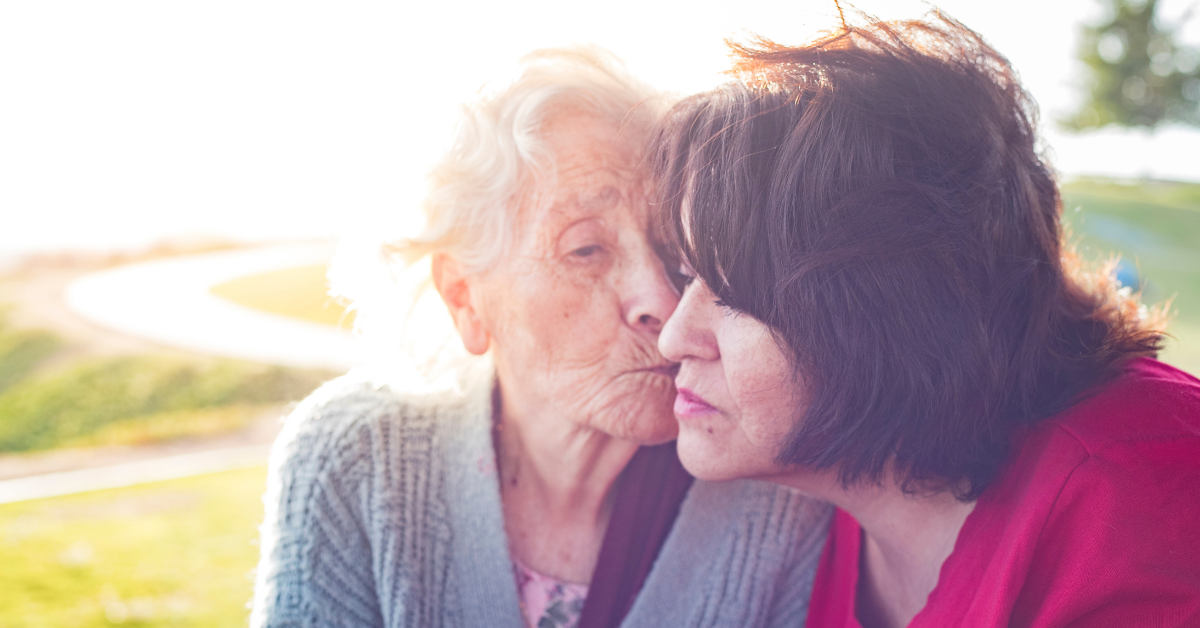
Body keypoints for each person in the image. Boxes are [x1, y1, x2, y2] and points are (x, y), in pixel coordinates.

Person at [250, 47, 831, 628]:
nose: (662, 300)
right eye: (586, 250)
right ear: (465, 298)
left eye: (671, 249)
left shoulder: (771, 492)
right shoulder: (356, 457)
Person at [653, 12, 1200, 628]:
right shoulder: (829, 497)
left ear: (884, 312)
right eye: (685, 274)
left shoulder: (1138, 502)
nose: (674, 337)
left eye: (732, 293)